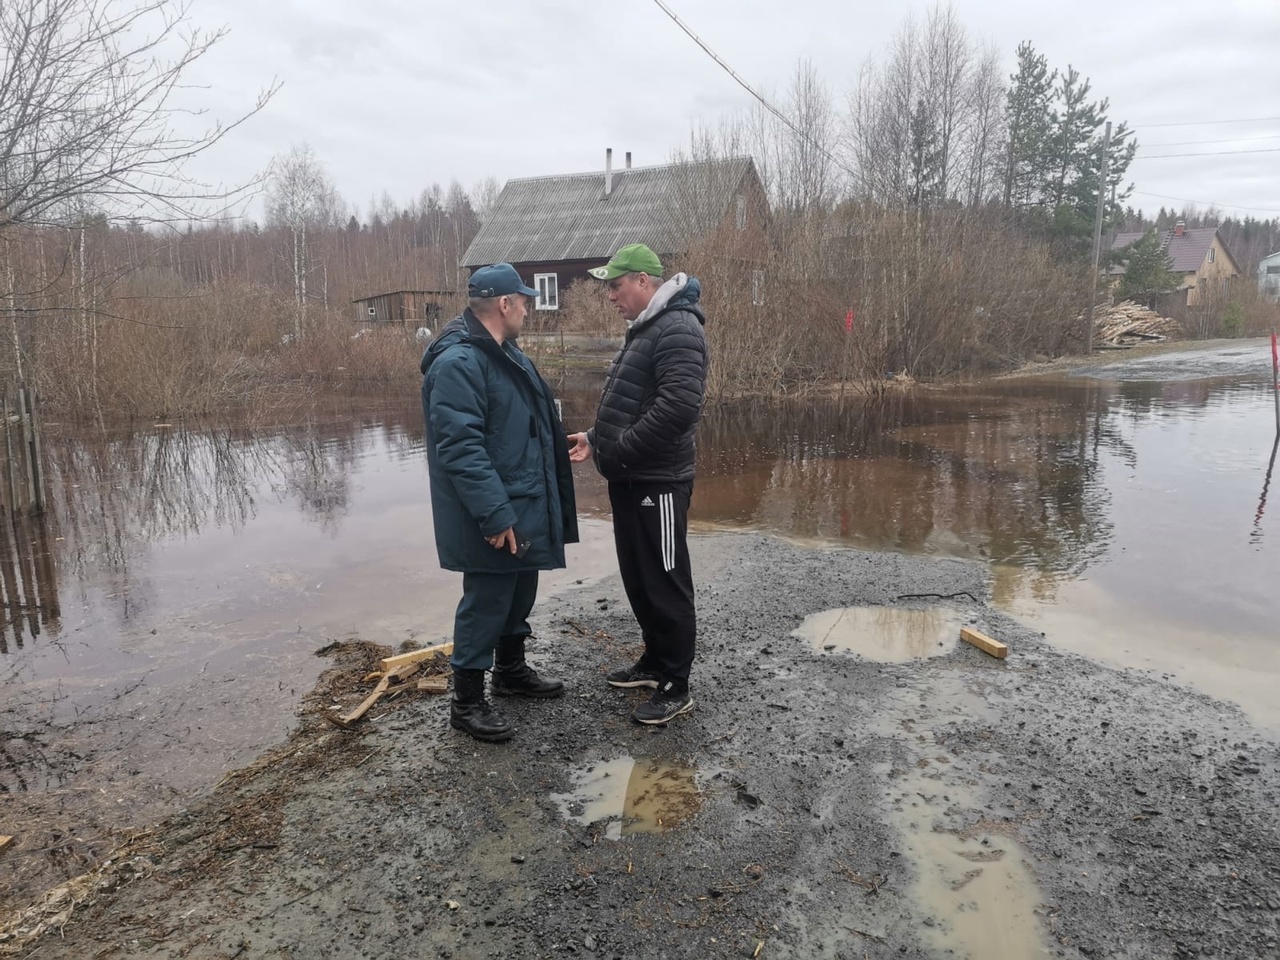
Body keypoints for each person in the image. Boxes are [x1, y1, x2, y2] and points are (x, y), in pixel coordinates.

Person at [420, 263, 579, 743]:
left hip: (521, 499)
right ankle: (466, 702)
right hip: (493, 510)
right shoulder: (459, 363)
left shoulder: (504, 352)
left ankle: (510, 672)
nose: (529, 306)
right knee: (486, 601)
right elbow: (461, 449)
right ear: (504, 304)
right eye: (525, 299)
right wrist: (494, 513)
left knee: (518, 591)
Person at [567, 244, 708, 725]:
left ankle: (676, 683)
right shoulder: (647, 328)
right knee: (639, 577)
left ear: (644, 281)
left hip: (659, 482)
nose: (610, 295)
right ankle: (654, 661)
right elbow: (632, 401)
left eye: (616, 284)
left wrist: (616, 449)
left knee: (667, 580)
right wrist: (593, 437)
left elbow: (677, 409)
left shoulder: (679, 328)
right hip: (630, 479)